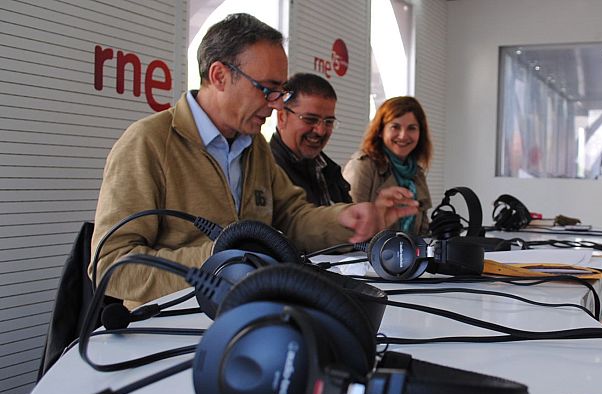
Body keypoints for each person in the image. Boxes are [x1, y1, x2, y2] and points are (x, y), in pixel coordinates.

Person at [90, 13, 417, 307]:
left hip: (249, 314)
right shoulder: (148, 142)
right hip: (170, 325)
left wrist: (345, 218)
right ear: (219, 75)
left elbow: (290, 217)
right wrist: (225, 261)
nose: (276, 105)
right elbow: (112, 263)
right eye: (267, 89)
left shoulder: (254, 145)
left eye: (281, 93)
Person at [343, 96, 432, 235]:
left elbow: (422, 232)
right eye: (395, 127)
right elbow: (346, 229)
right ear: (380, 130)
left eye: (412, 128)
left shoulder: (417, 173)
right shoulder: (362, 166)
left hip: (407, 254)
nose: (403, 136)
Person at [270, 73, 352, 205]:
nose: (320, 130)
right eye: (310, 119)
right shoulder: (265, 172)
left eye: (329, 121)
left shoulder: (329, 170)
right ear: (282, 118)